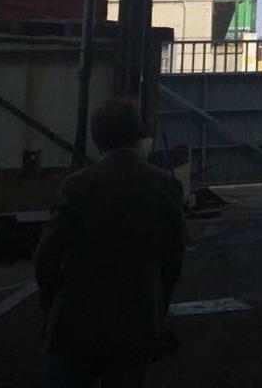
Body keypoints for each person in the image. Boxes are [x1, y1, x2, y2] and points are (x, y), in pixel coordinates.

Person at [35, 97, 185, 387]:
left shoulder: (77, 186)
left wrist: (51, 303)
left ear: (96, 137)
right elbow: (173, 257)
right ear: (139, 133)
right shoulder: (165, 185)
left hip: (77, 319)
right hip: (136, 319)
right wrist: (158, 307)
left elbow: (47, 256)